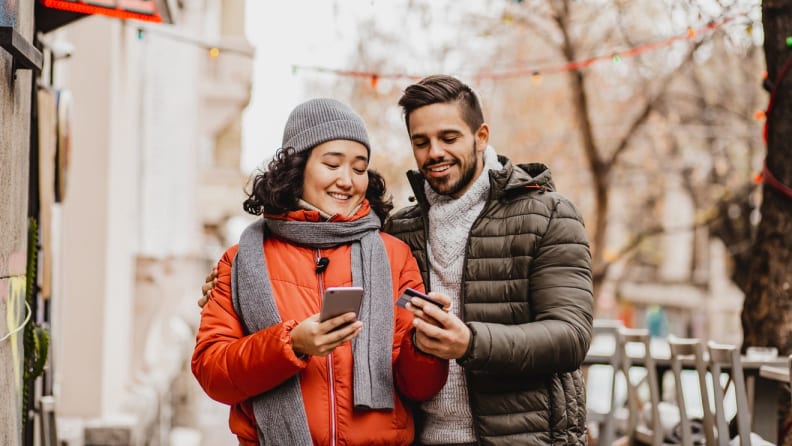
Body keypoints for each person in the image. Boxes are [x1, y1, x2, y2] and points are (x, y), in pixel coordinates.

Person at [200, 76, 594, 445]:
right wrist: (276, 328)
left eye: (449, 137)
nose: (435, 152)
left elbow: (571, 336)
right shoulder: (402, 229)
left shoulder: (543, 215)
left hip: (522, 437)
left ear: (481, 136)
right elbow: (214, 367)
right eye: (421, 141)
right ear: (297, 167)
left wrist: (462, 343)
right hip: (429, 436)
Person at [191, 98, 448, 446]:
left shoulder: (393, 256)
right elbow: (212, 373)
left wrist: (426, 346)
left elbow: (418, 388)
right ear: (297, 168)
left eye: (359, 168)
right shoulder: (240, 262)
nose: (347, 180)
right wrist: (291, 344)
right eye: (332, 164)